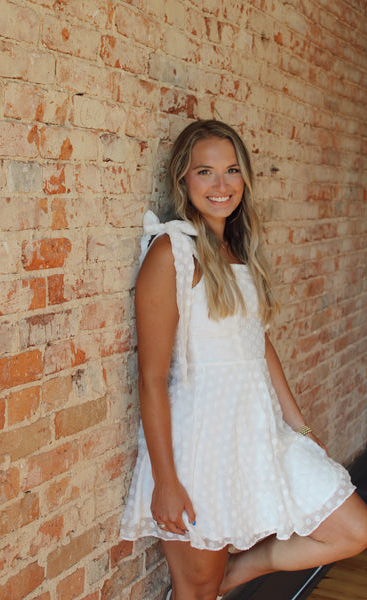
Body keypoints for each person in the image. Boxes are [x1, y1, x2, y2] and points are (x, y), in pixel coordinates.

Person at [120, 120, 367, 600]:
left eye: (231, 170)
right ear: (183, 180)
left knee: (353, 530)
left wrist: (300, 429)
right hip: (200, 442)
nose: (221, 185)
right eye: (205, 172)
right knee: (197, 590)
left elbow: (258, 343)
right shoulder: (172, 252)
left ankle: (238, 574)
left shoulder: (238, 248)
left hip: (256, 430)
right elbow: (151, 379)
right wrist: (167, 481)